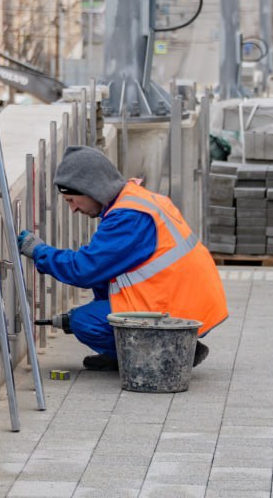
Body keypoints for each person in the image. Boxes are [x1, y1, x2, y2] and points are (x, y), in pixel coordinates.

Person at [17, 146, 228, 371]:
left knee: (84, 321)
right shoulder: (133, 200)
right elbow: (100, 268)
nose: (73, 209)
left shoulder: (129, 218)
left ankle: (167, 352)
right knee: (103, 278)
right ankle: (136, 350)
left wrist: (39, 251)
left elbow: (84, 269)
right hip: (183, 299)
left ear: (92, 189)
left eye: (72, 200)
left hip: (179, 310)